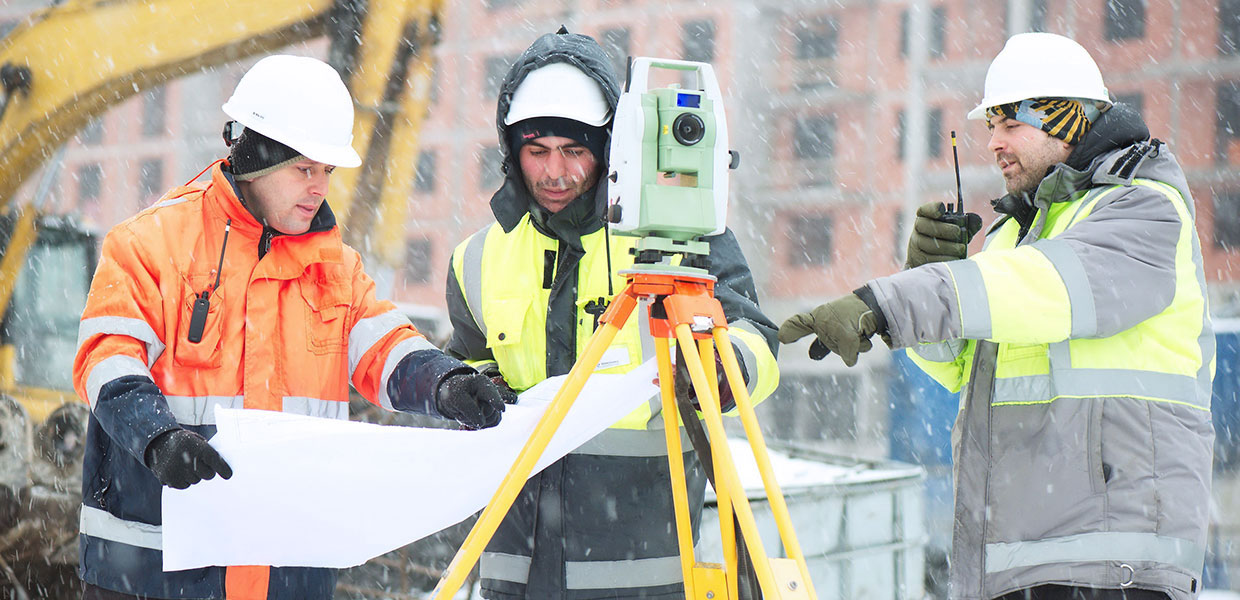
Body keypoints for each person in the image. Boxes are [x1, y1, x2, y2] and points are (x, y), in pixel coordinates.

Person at [779, 32, 1214, 600]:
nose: (993, 142)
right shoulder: (1017, 231)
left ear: (1067, 119)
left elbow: (1050, 289)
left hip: (1114, 567)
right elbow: (962, 371)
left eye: (1010, 123)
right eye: (989, 126)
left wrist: (895, 300)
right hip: (1019, 564)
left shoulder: (1142, 204)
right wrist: (926, 281)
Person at [73, 54, 507, 600]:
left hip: (285, 572)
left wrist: (447, 383)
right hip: (152, 571)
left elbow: (385, 349)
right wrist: (157, 436)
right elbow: (107, 358)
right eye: (305, 169)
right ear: (255, 157)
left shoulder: (334, 268)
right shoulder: (149, 245)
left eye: (327, 171)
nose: (319, 188)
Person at [444, 28, 781, 599]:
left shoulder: (679, 239)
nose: (555, 173)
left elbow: (758, 340)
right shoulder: (477, 258)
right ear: (512, 151)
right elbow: (470, 360)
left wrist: (726, 373)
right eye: (538, 151)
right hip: (513, 569)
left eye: (574, 150)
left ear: (608, 147)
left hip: (642, 569)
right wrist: (463, 388)